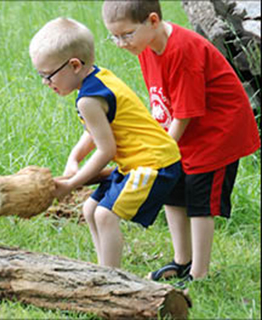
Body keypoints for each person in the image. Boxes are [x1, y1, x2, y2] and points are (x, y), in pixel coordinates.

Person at [101, 1, 261, 287]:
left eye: (126, 35)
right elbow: (163, 99)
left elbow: (186, 113)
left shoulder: (183, 52)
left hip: (217, 133)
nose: (120, 43)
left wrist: (159, 151)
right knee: (172, 191)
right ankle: (181, 261)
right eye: (114, 36)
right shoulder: (147, 46)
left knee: (199, 200)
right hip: (185, 129)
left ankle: (199, 273)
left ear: (152, 21)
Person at [29, 17, 182, 269]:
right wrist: (74, 159)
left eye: (48, 76)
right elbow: (95, 132)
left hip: (154, 164)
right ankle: (102, 268)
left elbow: (106, 149)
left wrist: (72, 184)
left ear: (74, 65)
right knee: (90, 208)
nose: (46, 83)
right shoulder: (98, 78)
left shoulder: (88, 99)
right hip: (138, 161)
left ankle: (110, 278)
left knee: (104, 214)